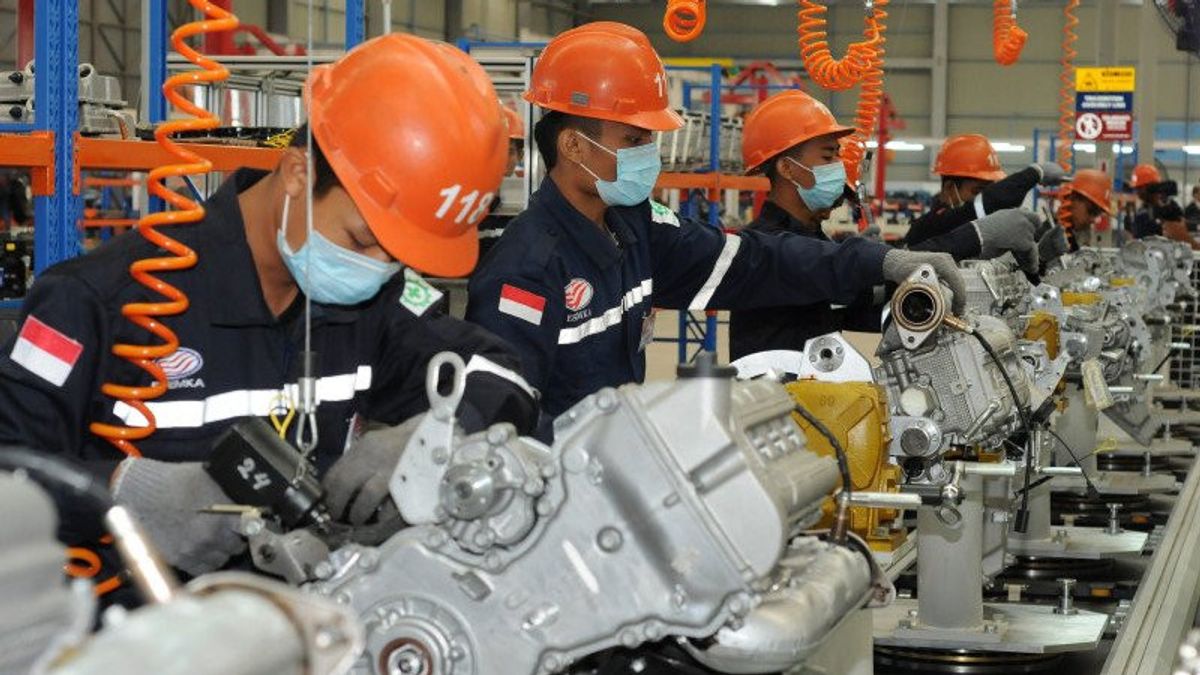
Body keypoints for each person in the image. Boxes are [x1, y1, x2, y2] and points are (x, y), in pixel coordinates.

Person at [0, 34, 537, 589]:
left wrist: (439, 432)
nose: (378, 267)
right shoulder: (98, 298)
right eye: (362, 239)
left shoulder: (374, 300)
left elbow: (505, 373)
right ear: (299, 173)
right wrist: (122, 492)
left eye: (398, 254)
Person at [465, 21, 965, 429]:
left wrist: (881, 260)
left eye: (650, 139)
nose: (649, 154)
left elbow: (756, 261)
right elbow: (502, 426)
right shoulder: (527, 270)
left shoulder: (635, 228)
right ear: (574, 145)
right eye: (634, 139)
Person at [727, 92, 1043, 361]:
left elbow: (853, 307)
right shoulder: (766, 246)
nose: (839, 168)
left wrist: (916, 309)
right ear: (786, 168)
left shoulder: (810, 236)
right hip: (778, 403)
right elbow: (835, 271)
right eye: (828, 156)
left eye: (838, 156)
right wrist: (973, 236)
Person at [905, 133, 1065, 255]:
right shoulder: (927, 228)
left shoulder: (981, 232)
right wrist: (1033, 174)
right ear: (949, 188)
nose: (984, 196)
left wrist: (1041, 249)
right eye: (978, 191)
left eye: (989, 189)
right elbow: (987, 204)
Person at [478, 103, 526, 260]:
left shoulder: (507, 212)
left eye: (509, 151)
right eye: (496, 150)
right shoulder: (467, 205)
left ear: (520, 156)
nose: (502, 158)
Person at [1128, 163, 1189, 245]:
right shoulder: (1142, 212)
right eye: (1136, 189)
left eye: (1139, 188)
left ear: (1150, 187)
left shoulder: (1169, 209)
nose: (1137, 192)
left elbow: (1180, 231)